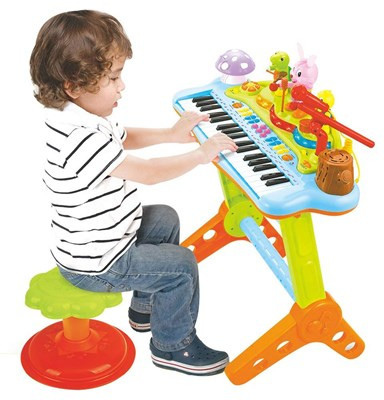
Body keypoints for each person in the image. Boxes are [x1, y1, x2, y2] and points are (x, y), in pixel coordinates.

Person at [30, 10, 238, 376]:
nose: (121, 86)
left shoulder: (81, 117)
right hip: (98, 265)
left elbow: (124, 137)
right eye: (112, 77)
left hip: (104, 243)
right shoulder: (79, 138)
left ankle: (145, 309)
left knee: (163, 218)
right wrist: (200, 155)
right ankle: (173, 346)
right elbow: (150, 174)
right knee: (182, 266)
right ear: (73, 86)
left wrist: (171, 135)